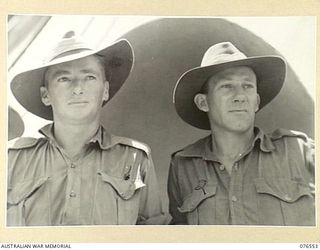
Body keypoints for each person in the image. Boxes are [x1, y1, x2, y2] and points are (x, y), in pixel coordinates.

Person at [8, 31, 168, 226]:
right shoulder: (11, 158)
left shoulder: (135, 159)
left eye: (90, 77)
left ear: (106, 90)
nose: (78, 89)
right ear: (45, 95)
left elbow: (153, 238)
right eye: (64, 79)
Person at [168, 41, 315, 225]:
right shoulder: (183, 167)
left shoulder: (299, 151)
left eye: (247, 86)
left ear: (257, 101)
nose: (240, 96)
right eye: (227, 86)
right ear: (203, 103)